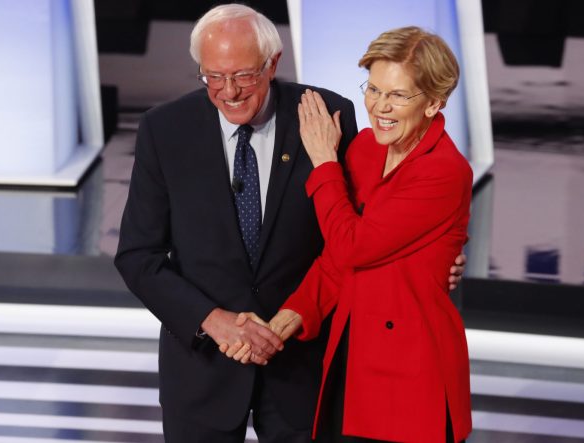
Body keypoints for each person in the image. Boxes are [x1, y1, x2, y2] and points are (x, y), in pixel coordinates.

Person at [115, 4, 465, 441]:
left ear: (272, 63)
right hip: (203, 369)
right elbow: (137, 256)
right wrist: (213, 320)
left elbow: (354, 232)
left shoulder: (327, 117)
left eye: (243, 75)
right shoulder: (165, 128)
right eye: (213, 77)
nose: (229, 91)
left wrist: (434, 255)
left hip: (304, 369)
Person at [231, 26, 473, 442]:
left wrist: (324, 162)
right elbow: (336, 258)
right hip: (351, 356)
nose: (380, 106)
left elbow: (354, 245)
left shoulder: (444, 172)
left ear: (434, 103)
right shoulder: (364, 150)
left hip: (412, 373)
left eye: (398, 95)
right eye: (374, 89)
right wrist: (287, 319)